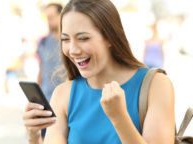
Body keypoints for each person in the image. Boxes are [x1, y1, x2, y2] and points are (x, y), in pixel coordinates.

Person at [23, 0, 175, 143]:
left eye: (83, 38)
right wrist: (34, 137)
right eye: (65, 39)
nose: (73, 50)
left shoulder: (156, 85)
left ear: (110, 37)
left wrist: (119, 118)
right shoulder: (62, 95)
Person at [36, 3, 63, 102]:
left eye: (51, 17)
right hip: (46, 97)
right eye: (47, 18)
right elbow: (41, 69)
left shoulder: (69, 42)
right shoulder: (43, 42)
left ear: (61, 16)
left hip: (64, 99)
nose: (49, 21)